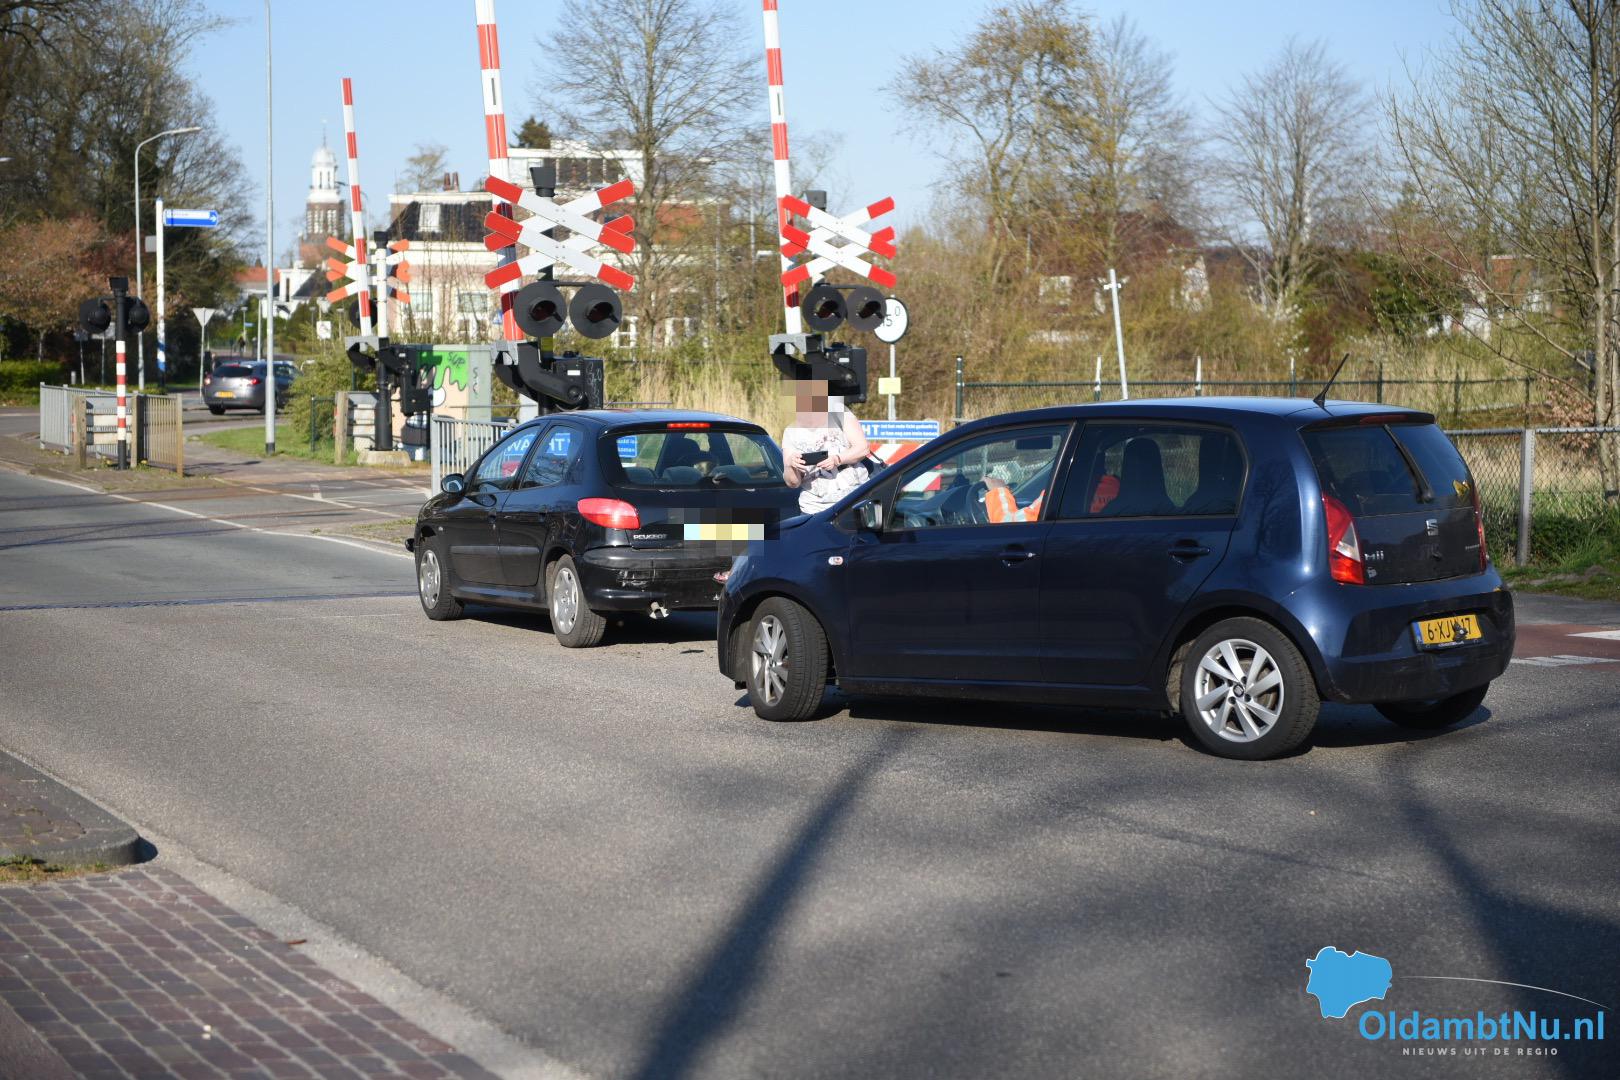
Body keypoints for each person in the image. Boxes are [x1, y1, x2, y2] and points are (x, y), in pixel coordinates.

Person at [782, 379, 870, 514]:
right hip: (815, 509)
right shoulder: (791, 432)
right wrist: (790, 465)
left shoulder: (840, 413)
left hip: (855, 501)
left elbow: (863, 448)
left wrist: (837, 459)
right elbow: (793, 483)